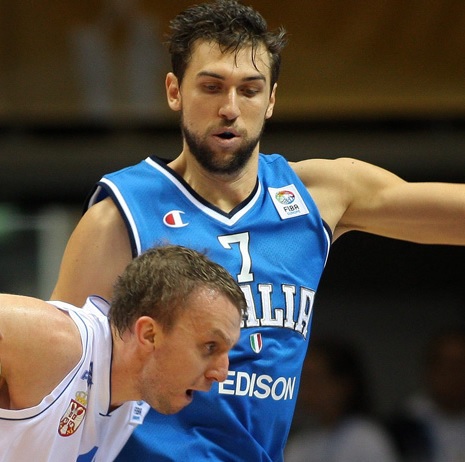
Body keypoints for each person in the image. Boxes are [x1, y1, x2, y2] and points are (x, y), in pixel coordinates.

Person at [51, 0, 465, 460]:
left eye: (249, 90)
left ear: (270, 100)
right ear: (174, 91)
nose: (230, 108)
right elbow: (56, 379)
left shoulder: (320, 194)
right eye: (211, 87)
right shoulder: (120, 215)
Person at [0, 244, 245, 461]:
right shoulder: (60, 343)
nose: (221, 373)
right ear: (149, 334)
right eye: (210, 346)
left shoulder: (134, 398)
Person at [285, 337, 400, 462]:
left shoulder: (366, 438)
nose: (307, 389)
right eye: (303, 380)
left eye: (315, 379)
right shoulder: (299, 444)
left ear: (344, 384)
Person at [386, 328, 465, 462]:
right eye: (447, 366)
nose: (455, 375)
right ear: (428, 370)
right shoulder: (403, 423)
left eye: (461, 366)